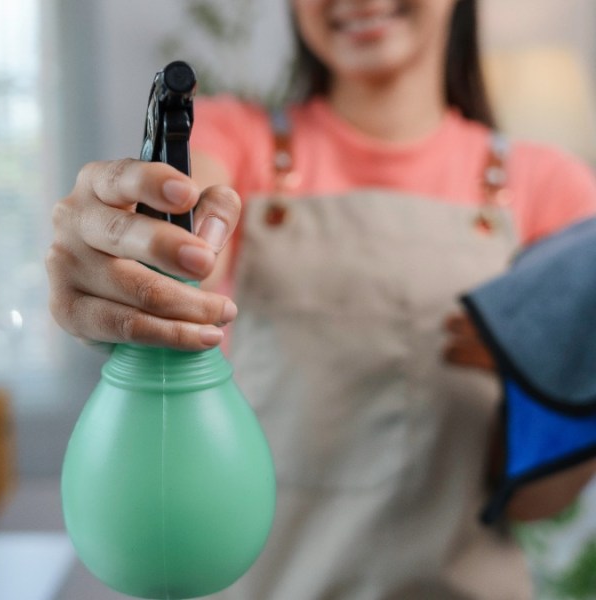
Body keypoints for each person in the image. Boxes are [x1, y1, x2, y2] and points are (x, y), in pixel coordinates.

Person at [46, 0, 596, 597]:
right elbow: (192, 210)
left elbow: (538, 502)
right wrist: (126, 250)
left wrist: (539, 379)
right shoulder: (238, 142)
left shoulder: (554, 191)